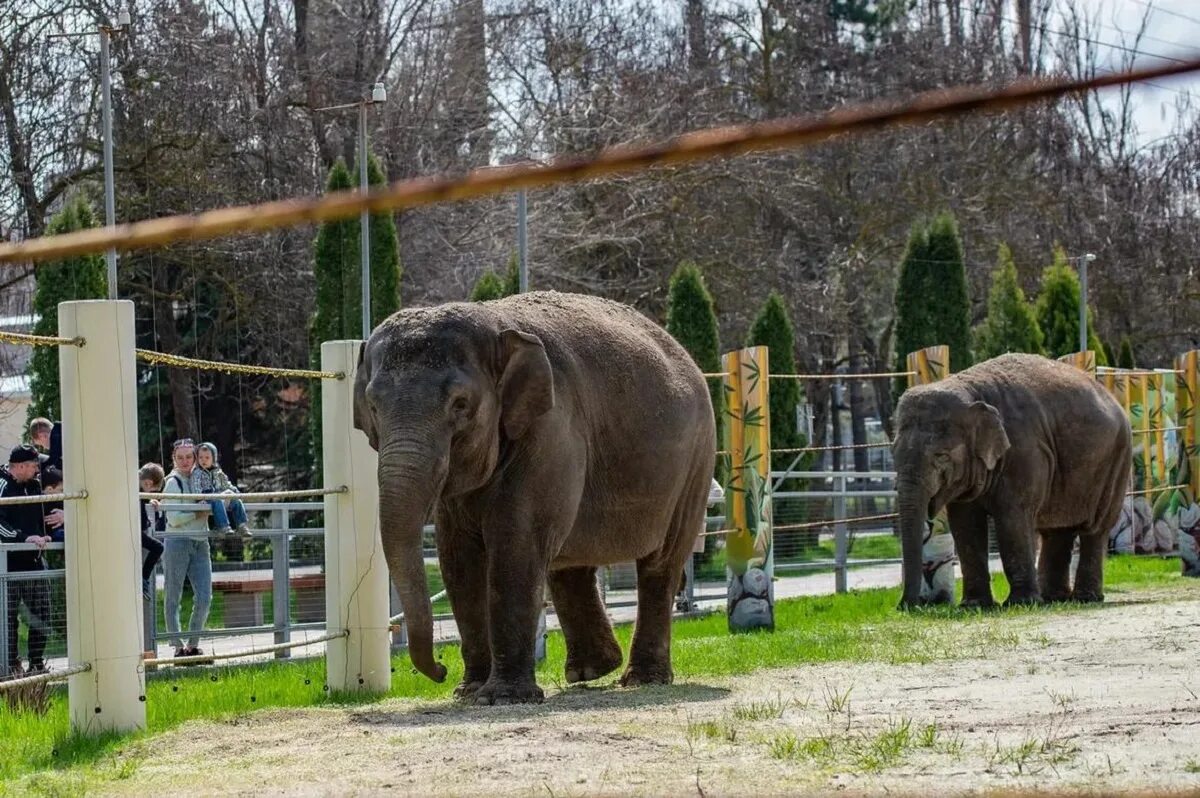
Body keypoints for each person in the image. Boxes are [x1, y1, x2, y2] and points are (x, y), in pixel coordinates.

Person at [0, 445, 59, 676]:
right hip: (9, 564)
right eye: (35, 465)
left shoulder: (34, 485)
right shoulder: (3, 485)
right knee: (8, 617)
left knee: (42, 613)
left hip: (35, 562)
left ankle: (36, 662)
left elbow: (43, 514)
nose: (38, 470)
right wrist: (23, 538)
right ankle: (11, 665)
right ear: (21, 466)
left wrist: (49, 530)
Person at [162, 439, 213, 660]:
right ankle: (177, 646)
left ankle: (193, 644)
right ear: (174, 458)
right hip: (177, 542)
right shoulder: (173, 482)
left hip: (201, 542)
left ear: (194, 457)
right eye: (180, 457)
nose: (185, 461)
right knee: (173, 594)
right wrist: (197, 513)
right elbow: (173, 518)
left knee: (204, 597)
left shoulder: (201, 477)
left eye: (189, 457)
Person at [194, 442, 252, 540]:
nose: (203, 460)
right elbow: (195, 487)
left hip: (219, 496)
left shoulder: (218, 472)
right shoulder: (197, 473)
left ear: (213, 458)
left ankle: (242, 525)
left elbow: (227, 484)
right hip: (206, 497)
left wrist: (235, 492)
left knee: (234, 498)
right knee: (216, 499)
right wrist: (199, 498)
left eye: (207, 458)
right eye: (201, 457)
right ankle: (223, 526)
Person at [138, 463, 167, 602]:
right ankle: (143, 577)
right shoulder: (138, 490)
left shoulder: (138, 488)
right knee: (158, 547)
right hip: (134, 531)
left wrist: (151, 499)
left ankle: (143, 578)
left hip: (138, 530)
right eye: (152, 491)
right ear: (148, 483)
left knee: (157, 547)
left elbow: (143, 499)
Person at [41, 466, 65, 543]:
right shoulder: (39, 504)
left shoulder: (61, 502)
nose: (64, 493)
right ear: (50, 489)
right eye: (61, 490)